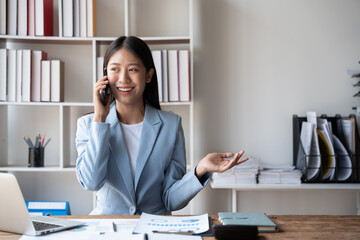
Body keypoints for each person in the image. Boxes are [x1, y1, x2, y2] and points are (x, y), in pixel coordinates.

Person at [75, 36, 248, 215]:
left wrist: (200, 169)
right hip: (109, 229)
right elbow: (91, 182)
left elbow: (170, 199)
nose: (123, 78)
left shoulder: (171, 125)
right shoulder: (89, 124)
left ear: (148, 75)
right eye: (115, 69)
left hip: (155, 228)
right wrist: (100, 119)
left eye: (133, 69)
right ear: (105, 75)